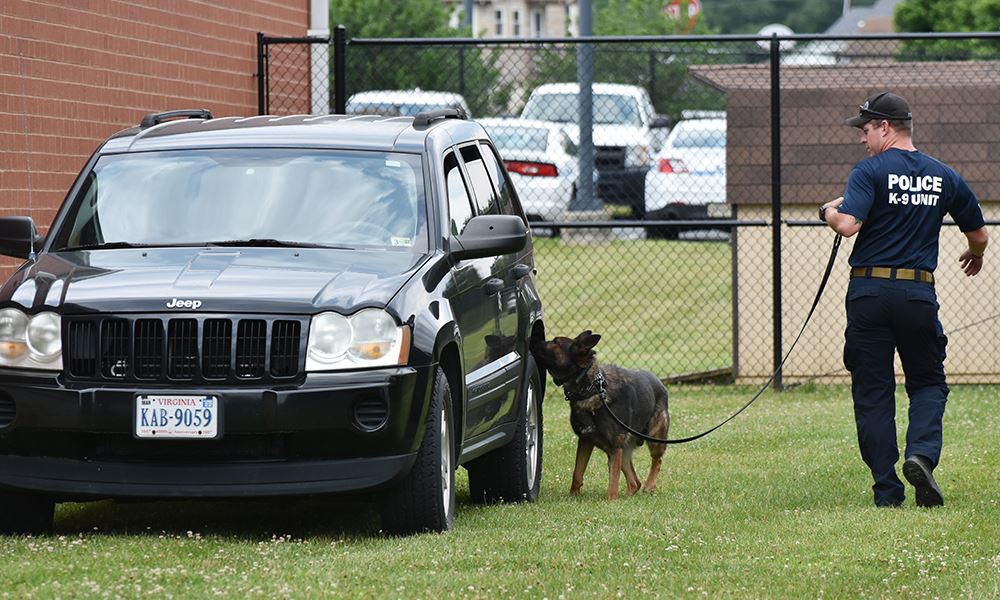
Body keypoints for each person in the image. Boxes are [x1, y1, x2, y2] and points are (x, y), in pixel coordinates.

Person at [819, 91, 989, 508]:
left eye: (865, 129)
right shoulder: (943, 175)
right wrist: (976, 255)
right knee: (928, 382)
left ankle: (887, 491)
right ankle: (921, 455)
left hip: (869, 292)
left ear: (885, 128)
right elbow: (980, 234)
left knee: (874, 391)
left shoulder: (870, 171)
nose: (861, 138)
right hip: (917, 293)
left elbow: (847, 226)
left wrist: (826, 211)